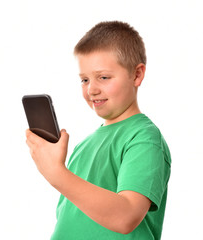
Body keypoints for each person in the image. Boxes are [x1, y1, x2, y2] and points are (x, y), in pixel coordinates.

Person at [26, 21, 171, 240]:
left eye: (103, 77)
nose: (91, 89)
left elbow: (126, 217)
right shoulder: (84, 145)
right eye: (84, 80)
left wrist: (56, 173)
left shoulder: (144, 139)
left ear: (137, 75)